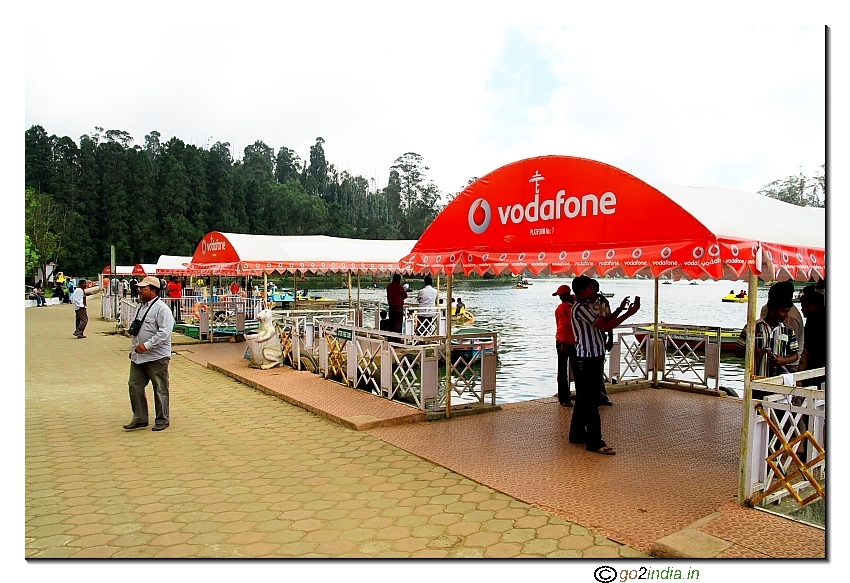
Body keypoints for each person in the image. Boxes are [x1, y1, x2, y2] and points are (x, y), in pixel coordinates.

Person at [569, 275, 641, 455]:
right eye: (590, 288)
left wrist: (621, 311)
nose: (593, 290)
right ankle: (594, 441)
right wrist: (629, 313)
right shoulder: (581, 308)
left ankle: (576, 433)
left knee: (585, 398)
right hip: (588, 357)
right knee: (591, 400)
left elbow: (607, 321)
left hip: (592, 355)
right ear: (582, 290)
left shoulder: (590, 305)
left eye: (593, 288)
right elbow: (604, 325)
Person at [123, 276, 175, 432]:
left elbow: (164, 333)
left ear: (153, 290)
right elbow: (137, 330)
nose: (139, 290)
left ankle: (162, 419)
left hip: (157, 356)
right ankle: (140, 418)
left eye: (143, 288)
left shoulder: (162, 309)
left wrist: (146, 345)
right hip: (139, 356)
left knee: (160, 388)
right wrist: (134, 350)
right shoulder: (141, 307)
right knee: (134, 385)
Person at [735, 295, 799, 399]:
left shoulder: (788, 331)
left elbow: (795, 355)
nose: (786, 315)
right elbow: (737, 352)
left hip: (779, 383)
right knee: (757, 411)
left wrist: (783, 360)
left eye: (787, 311)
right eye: (783, 311)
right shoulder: (752, 328)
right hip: (756, 382)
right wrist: (753, 353)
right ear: (772, 310)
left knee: (779, 412)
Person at [759, 280, 804, 371]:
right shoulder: (765, 310)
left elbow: (793, 351)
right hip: (765, 363)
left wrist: (784, 360)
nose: (785, 314)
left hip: (787, 365)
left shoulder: (790, 318)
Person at [797, 287, 826, 388]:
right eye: (802, 306)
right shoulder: (811, 319)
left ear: (817, 306)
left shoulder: (815, 320)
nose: (803, 309)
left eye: (806, 306)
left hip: (817, 363)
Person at [553, 284, 576, 407]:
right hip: (566, 342)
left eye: (561, 295)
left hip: (568, 342)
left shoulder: (568, 306)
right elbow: (562, 327)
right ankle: (564, 397)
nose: (560, 298)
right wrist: (563, 343)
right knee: (564, 370)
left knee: (564, 369)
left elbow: (562, 327)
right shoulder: (563, 308)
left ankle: (565, 397)